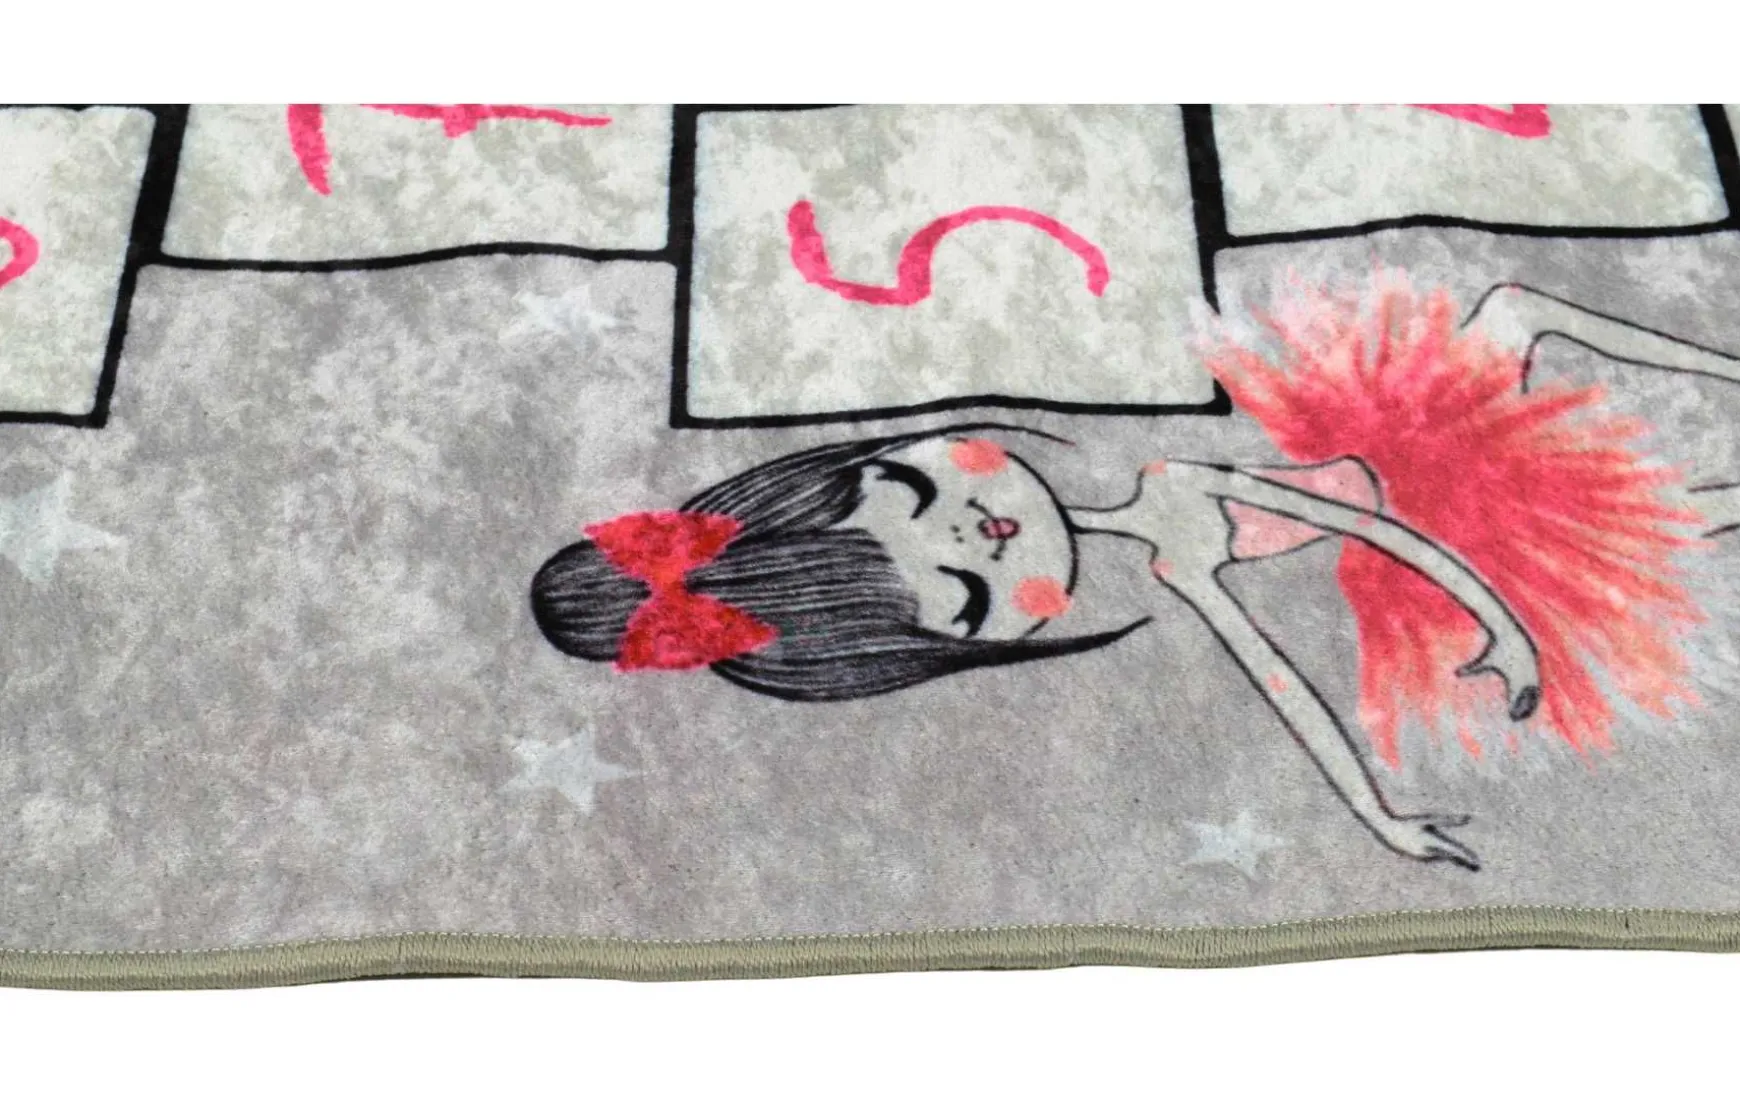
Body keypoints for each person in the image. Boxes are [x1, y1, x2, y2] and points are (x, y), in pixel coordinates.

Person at [532, 275, 1740, 869]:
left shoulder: (1171, 485)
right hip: (1445, 527)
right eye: (969, 598)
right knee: (1668, 521)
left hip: (1407, 456)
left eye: (918, 492)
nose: (981, 533)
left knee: (1515, 308)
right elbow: (1275, 668)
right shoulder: (1177, 543)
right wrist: (1379, 812)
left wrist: (1498, 623)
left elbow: (1353, 522)